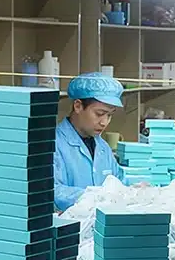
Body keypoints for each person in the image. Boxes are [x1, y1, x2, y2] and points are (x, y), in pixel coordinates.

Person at [54, 72, 125, 211]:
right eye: (99, 114)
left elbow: (119, 182)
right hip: (68, 228)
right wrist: (93, 197)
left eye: (109, 115)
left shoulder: (103, 148)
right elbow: (52, 191)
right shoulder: (54, 144)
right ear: (78, 106)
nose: (104, 122)